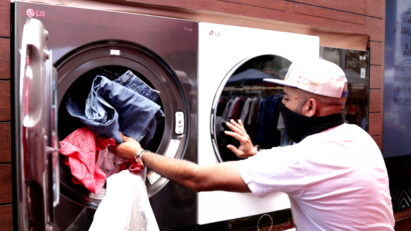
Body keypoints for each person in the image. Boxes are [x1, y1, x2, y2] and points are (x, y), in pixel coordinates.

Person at [112, 58, 395, 230]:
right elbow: (312, 171)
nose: (281, 105)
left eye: (286, 99)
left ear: (309, 107)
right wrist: (256, 154)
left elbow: (197, 178)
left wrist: (140, 152)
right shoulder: (359, 138)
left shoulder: (301, 159)